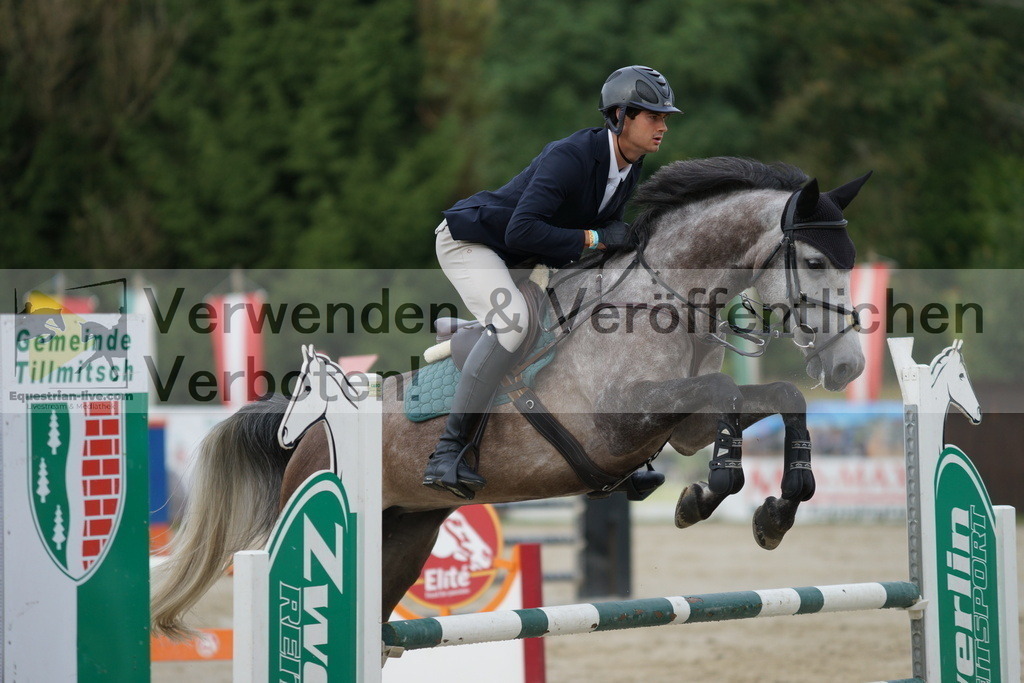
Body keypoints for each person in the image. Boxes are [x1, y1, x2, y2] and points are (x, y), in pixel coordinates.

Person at [423, 65, 682, 500]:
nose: (662, 127)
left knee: (595, 315)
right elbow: (520, 231)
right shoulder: (572, 156)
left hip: (526, 258)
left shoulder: (629, 168)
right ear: (620, 117)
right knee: (513, 323)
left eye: (665, 118)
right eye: (653, 116)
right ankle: (447, 452)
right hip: (472, 244)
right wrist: (596, 237)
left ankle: (623, 452)